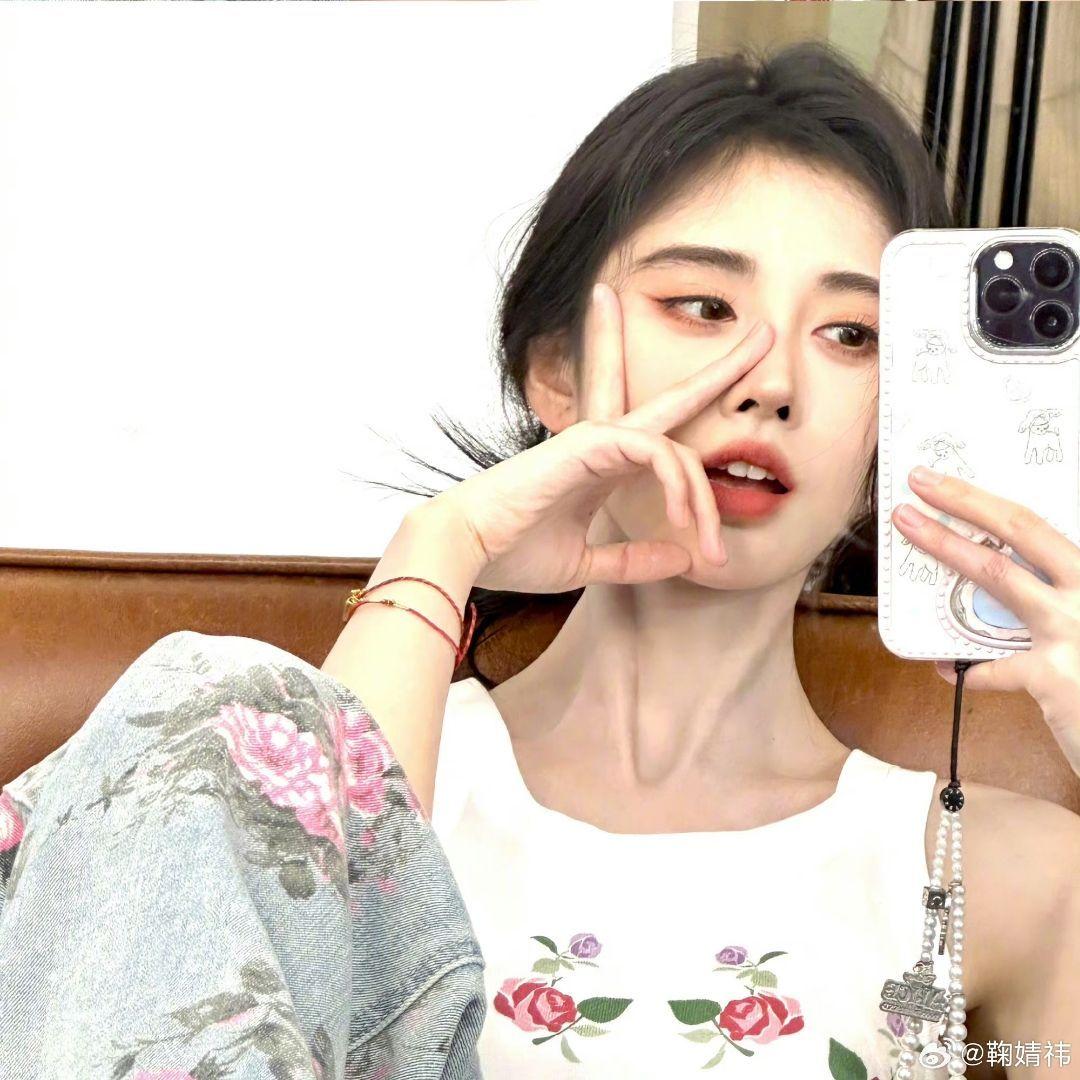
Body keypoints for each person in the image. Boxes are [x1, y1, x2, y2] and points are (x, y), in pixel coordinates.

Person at [2, 39, 1078, 1080]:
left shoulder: (1005, 877)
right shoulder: (382, 768)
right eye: (704, 307)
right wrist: (442, 544)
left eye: (851, 335)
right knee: (209, 697)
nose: (774, 384)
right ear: (556, 372)